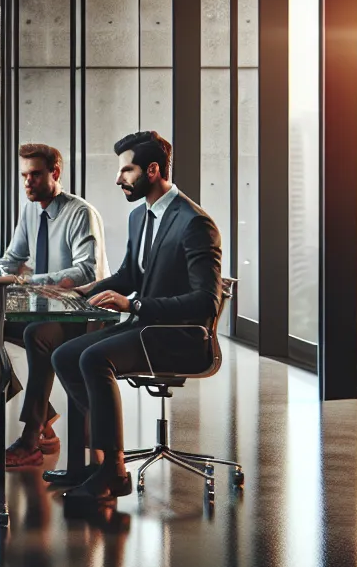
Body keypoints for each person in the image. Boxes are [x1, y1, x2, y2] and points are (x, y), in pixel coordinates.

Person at [42, 130, 224, 503]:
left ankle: (113, 471)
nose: (118, 179)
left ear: (153, 170)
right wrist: (84, 291)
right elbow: (131, 275)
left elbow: (206, 302)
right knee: (64, 354)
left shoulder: (194, 223)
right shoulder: (141, 217)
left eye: (127, 170)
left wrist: (135, 306)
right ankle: (97, 460)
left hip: (182, 336)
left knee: (94, 357)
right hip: (146, 329)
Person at [0, 142, 107, 470]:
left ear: (55, 173)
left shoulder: (80, 213)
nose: (28, 182)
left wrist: (31, 281)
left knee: (38, 335)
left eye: (35, 174)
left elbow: (86, 271)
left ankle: (30, 440)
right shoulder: (30, 212)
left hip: (85, 313)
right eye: (24, 175)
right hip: (47, 308)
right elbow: (12, 260)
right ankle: (45, 418)